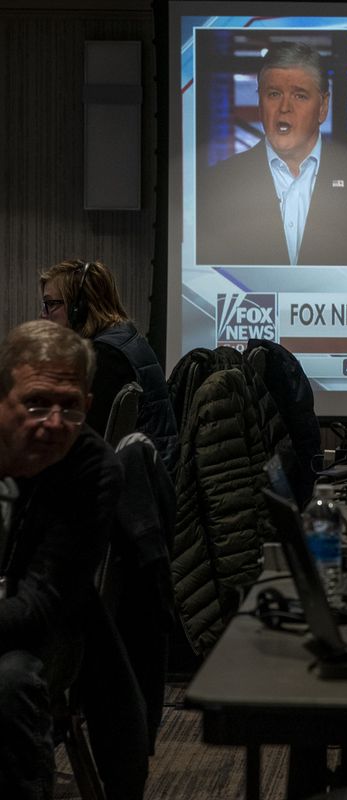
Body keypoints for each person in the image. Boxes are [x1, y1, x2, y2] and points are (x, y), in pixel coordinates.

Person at [0, 321, 123, 798]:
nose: (53, 422)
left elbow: (42, 605)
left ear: (87, 407)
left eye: (69, 406)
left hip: (45, 635)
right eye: (36, 403)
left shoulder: (91, 469)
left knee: (9, 682)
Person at [196, 41, 347, 266]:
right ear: (260, 104)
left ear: (323, 107)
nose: (285, 107)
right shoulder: (214, 186)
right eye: (274, 94)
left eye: (299, 96)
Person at [39, 259, 178, 468]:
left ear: (80, 308)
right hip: (147, 473)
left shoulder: (107, 357)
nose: (43, 314)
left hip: (138, 483)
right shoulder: (123, 340)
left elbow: (87, 441)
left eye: (51, 304)